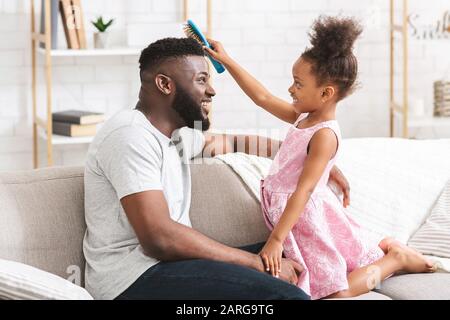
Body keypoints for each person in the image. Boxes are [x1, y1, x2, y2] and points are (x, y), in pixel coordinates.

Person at [83, 37, 350, 300]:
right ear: (165, 84)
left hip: (171, 265)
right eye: (201, 80)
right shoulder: (131, 135)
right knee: (290, 296)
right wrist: (254, 264)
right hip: (132, 279)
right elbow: (159, 238)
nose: (212, 90)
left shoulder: (175, 136)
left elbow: (230, 141)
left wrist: (311, 157)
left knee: (302, 255)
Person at [205, 16, 437, 300]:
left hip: (305, 217)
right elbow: (263, 97)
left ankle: (395, 259)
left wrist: (277, 240)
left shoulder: (325, 135)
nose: (291, 89)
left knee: (334, 294)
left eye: (298, 84)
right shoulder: (303, 116)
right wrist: (226, 60)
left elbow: (303, 191)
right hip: (292, 214)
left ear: (326, 93)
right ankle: (384, 249)